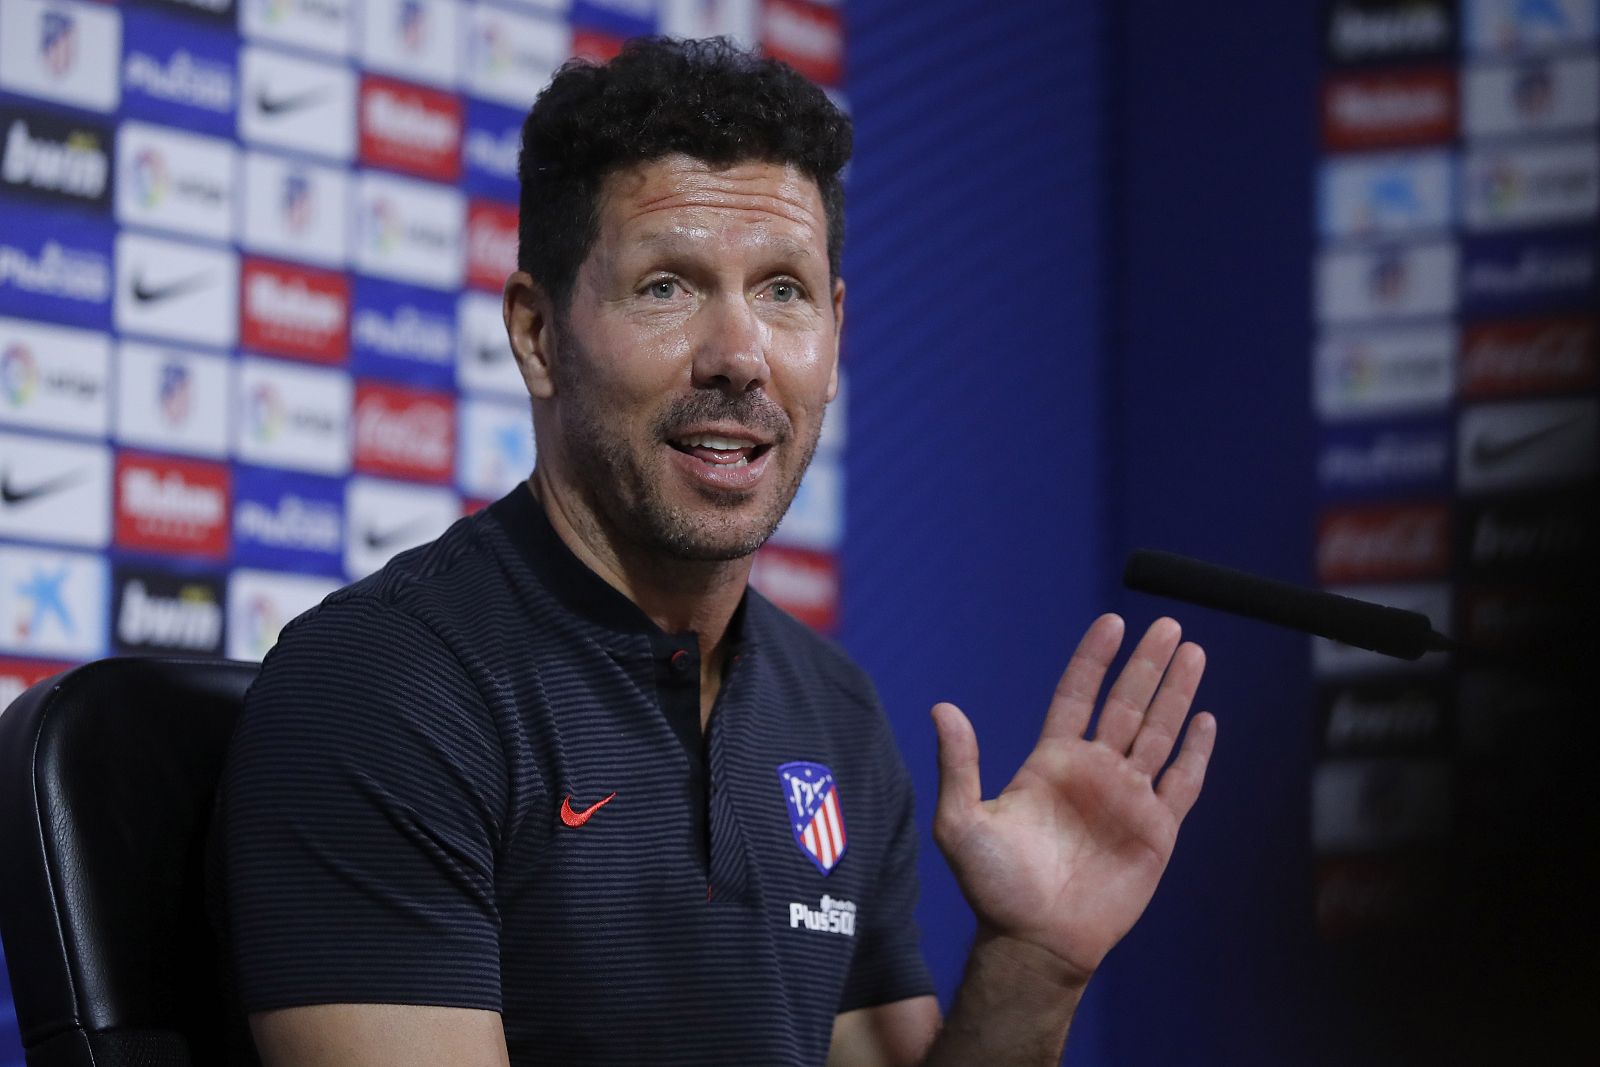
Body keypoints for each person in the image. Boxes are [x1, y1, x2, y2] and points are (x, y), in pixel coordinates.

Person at [211, 37, 1217, 1067]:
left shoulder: (834, 711)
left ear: (834, 329)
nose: (739, 356)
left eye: (782, 290)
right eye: (666, 286)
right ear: (537, 333)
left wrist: (1035, 958)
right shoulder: (383, 688)